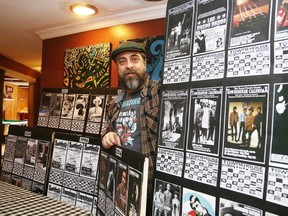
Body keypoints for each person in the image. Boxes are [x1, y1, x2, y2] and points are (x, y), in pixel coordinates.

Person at [101, 41, 160, 212]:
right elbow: (107, 131)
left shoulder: (160, 92)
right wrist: (107, 136)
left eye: (134, 59)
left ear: (145, 63)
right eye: (122, 61)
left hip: (151, 190)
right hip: (122, 187)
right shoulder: (114, 103)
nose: (128, 66)